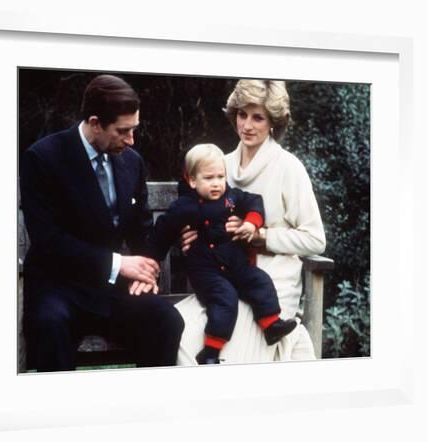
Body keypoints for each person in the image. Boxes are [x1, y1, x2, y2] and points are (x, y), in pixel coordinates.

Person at [19, 74, 184, 372]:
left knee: (166, 319)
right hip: (58, 286)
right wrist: (118, 264)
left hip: (110, 290)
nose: (131, 140)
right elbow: (48, 241)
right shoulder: (43, 158)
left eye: (134, 130)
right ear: (95, 122)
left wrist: (143, 271)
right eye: (123, 131)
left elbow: (142, 229)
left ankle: (150, 413)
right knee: (50, 327)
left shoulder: (131, 162)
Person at [176, 79, 326, 364]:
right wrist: (191, 234)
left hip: (271, 281)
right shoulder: (222, 165)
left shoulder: (288, 167)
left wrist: (262, 236)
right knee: (182, 331)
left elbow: (316, 239)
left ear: (273, 122)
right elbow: (196, 212)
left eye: (258, 118)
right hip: (223, 276)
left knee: (232, 348)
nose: (247, 125)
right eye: (242, 114)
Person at [146, 143, 297, 364]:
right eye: (209, 178)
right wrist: (149, 263)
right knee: (226, 299)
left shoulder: (231, 197)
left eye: (220, 176)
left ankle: (271, 325)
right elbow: (162, 234)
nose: (216, 183)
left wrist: (251, 224)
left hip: (236, 264)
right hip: (207, 273)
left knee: (259, 280)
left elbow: (254, 202)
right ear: (192, 180)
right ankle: (210, 351)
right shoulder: (183, 207)